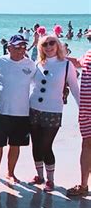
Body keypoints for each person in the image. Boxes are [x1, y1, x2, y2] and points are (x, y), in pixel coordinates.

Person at [28, 35, 79, 192]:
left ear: (57, 45)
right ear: (40, 47)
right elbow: (24, 83)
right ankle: (39, 176)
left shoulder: (66, 65)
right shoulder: (37, 64)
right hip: (33, 109)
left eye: (52, 43)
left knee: (46, 145)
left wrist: (83, 109)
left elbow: (75, 88)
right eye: (45, 44)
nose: (48, 47)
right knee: (35, 144)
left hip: (53, 111)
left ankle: (50, 180)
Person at [0, 35, 36, 182]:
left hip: (21, 113)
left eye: (23, 47)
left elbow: (42, 82)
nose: (21, 50)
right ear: (9, 48)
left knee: (15, 145)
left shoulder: (31, 64)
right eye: (17, 47)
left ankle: (10, 173)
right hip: (0, 111)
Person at [66, 49, 91, 196]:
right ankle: (83, 185)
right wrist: (58, 56)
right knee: (86, 144)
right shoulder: (88, 53)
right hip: (86, 110)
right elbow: (77, 63)